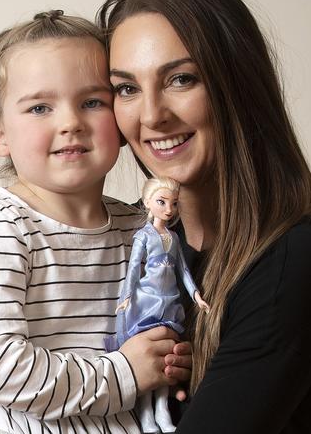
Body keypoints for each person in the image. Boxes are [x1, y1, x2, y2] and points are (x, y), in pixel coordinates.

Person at [99, 0, 311, 433]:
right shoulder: (140, 246)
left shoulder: (293, 263)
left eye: (181, 79)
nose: (152, 115)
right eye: (126, 88)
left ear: (236, 85)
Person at [0, 9, 191, 434]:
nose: (70, 122)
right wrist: (124, 374)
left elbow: (149, 326)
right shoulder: (0, 229)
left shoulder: (142, 227)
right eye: (40, 107)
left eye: (92, 102)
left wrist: (169, 357)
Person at [107, 176, 209, 433]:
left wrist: (195, 294)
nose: (168, 209)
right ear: (148, 203)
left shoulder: (173, 237)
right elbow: (133, 268)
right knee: (147, 358)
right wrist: (127, 296)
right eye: (162, 202)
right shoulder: (144, 235)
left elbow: (183, 270)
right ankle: (146, 415)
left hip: (169, 299)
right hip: (147, 299)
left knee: (166, 357)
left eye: (174, 204)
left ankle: (162, 412)